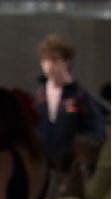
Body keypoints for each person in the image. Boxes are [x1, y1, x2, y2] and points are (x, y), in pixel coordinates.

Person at [35, 34, 106, 173]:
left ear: (67, 63)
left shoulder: (80, 96)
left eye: (55, 60)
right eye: (45, 60)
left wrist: (83, 149)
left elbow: (97, 129)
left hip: (69, 167)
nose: (49, 66)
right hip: (42, 165)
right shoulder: (39, 96)